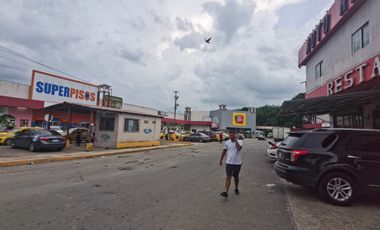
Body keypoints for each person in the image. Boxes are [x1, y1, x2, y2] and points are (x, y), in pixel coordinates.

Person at [219, 131, 243, 198]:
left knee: (236, 176)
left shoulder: (240, 141)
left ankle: (236, 188)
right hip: (229, 163)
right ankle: (226, 192)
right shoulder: (227, 142)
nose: (231, 137)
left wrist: (236, 141)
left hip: (237, 163)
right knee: (228, 177)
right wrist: (221, 160)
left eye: (233, 135)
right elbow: (224, 151)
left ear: (235, 135)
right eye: (230, 135)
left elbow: (239, 148)